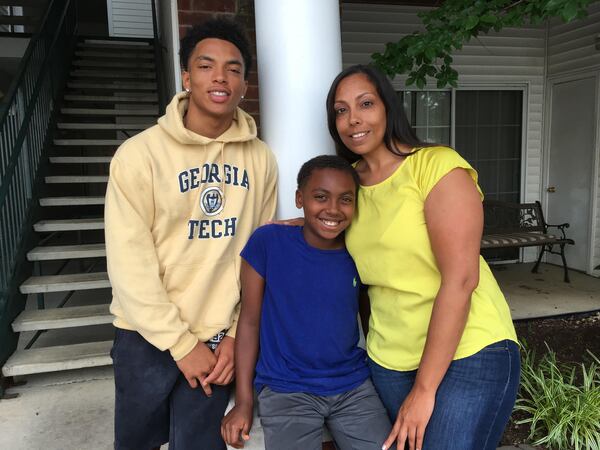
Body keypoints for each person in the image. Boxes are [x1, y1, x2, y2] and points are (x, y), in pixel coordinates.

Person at [324, 64, 520, 450]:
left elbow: (461, 280)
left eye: (365, 104)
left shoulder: (436, 166)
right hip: (390, 361)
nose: (353, 119)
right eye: (341, 110)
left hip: (469, 352)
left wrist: (425, 389)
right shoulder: (346, 185)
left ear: (388, 108)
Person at [104, 17, 277, 450]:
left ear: (243, 84)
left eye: (234, 69)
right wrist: (180, 344)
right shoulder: (138, 155)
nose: (220, 77)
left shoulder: (260, 159)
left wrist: (238, 334)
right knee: (137, 442)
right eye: (205, 65)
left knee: (199, 443)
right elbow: (130, 263)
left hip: (219, 338)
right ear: (186, 76)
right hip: (146, 336)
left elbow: (261, 254)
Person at [221, 155, 393, 450]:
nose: (333, 209)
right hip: (286, 387)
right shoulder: (269, 242)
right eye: (320, 197)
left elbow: (370, 319)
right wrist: (244, 401)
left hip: (351, 384)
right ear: (300, 198)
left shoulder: (358, 250)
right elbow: (250, 321)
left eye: (345, 200)